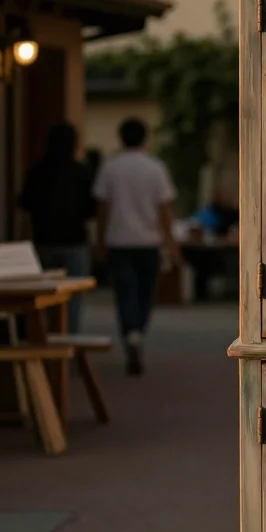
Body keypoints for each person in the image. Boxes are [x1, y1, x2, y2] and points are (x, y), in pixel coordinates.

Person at [93, 117, 179, 375]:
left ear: (121, 137)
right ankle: (138, 331)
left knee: (125, 293)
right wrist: (171, 242)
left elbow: (103, 208)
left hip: (118, 241)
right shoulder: (155, 168)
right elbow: (164, 209)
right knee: (145, 293)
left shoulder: (111, 167)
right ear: (145, 138)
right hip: (148, 241)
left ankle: (130, 332)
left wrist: (99, 240)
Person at [19, 122, 96, 333]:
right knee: (73, 300)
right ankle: (67, 343)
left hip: (43, 241)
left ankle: (41, 339)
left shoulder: (36, 172)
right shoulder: (82, 173)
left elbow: (25, 209)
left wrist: (24, 241)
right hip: (74, 241)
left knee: (41, 298)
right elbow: (91, 210)